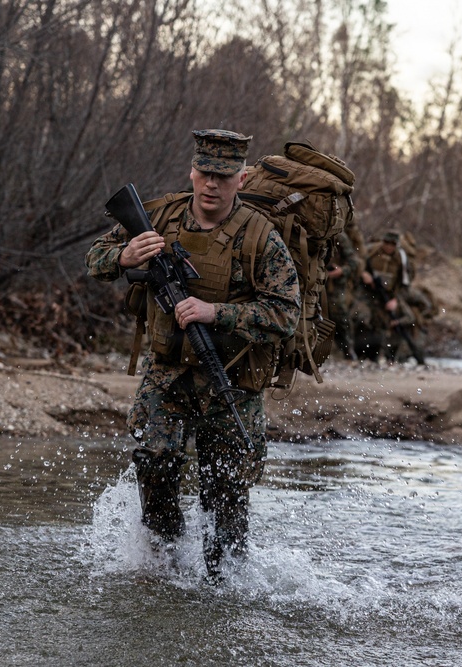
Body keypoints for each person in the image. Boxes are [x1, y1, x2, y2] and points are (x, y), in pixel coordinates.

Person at [85, 129, 300, 579]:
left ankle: (225, 591)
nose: (212, 184)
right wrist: (124, 257)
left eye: (224, 176)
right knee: (154, 467)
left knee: (225, 497)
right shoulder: (160, 215)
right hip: (166, 376)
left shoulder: (260, 237)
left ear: (241, 179)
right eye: (204, 173)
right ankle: (163, 570)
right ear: (192, 171)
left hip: (232, 383)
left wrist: (215, 312)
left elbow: (286, 314)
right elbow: (95, 259)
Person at [362, 230, 426, 365]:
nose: (388, 247)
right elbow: (357, 262)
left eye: (392, 244)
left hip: (391, 295)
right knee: (364, 317)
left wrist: (395, 300)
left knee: (398, 322)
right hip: (367, 291)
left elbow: (405, 283)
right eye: (386, 243)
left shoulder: (402, 259)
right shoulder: (371, 251)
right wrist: (363, 274)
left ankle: (397, 354)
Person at [325, 230, 361, 360]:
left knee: (340, 315)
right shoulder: (311, 232)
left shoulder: (339, 236)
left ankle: (347, 349)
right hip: (314, 281)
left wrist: (341, 271)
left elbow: (353, 262)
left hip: (335, 284)